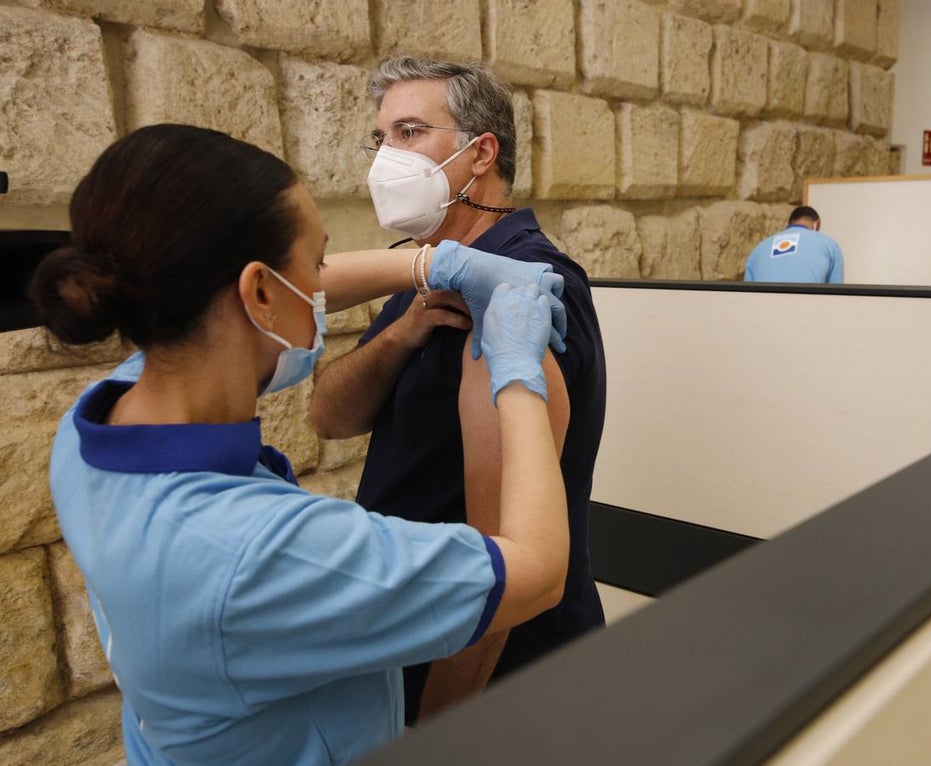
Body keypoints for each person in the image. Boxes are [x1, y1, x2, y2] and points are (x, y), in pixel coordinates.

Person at [30, 123, 575, 765]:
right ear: (260, 292)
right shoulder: (257, 553)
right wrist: (516, 372)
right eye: (315, 263)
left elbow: (257, 297)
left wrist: (432, 262)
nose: (323, 284)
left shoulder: (93, 428)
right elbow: (536, 572)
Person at [309, 57, 607, 722]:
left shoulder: (520, 284)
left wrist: (433, 732)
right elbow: (328, 418)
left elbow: (504, 553)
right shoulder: (427, 271)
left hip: (498, 670)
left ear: (481, 153)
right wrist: (399, 335)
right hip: (421, 639)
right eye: (381, 137)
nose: (387, 157)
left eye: (411, 132)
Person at [744, 205, 845, 284]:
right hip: (807, 308)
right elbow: (836, 296)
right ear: (817, 224)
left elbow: (747, 297)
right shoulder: (830, 245)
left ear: (790, 223)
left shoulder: (759, 249)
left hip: (763, 309)